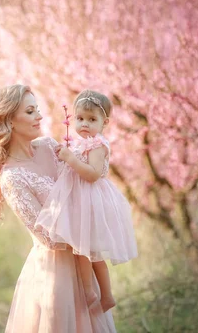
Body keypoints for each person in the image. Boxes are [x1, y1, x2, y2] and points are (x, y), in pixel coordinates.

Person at [0, 84, 116, 332]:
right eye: (30, 111)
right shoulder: (12, 177)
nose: (39, 116)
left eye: (37, 109)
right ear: (9, 120)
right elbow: (48, 236)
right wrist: (84, 226)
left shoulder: (51, 147)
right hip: (54, 273)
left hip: (84, 262)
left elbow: (83, 186)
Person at [35, 89, 138, 313]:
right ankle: (94, 292)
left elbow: (92, 174)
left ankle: (97, 293)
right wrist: (65, 157)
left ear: (105, 122)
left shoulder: (98, 145)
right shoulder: (81, 142)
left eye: (92, 120)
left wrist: (71, 159)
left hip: (90, 201)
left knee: (88, 250)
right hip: (78, 199)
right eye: (80, 118)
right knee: (81, 248)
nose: (84, 124)